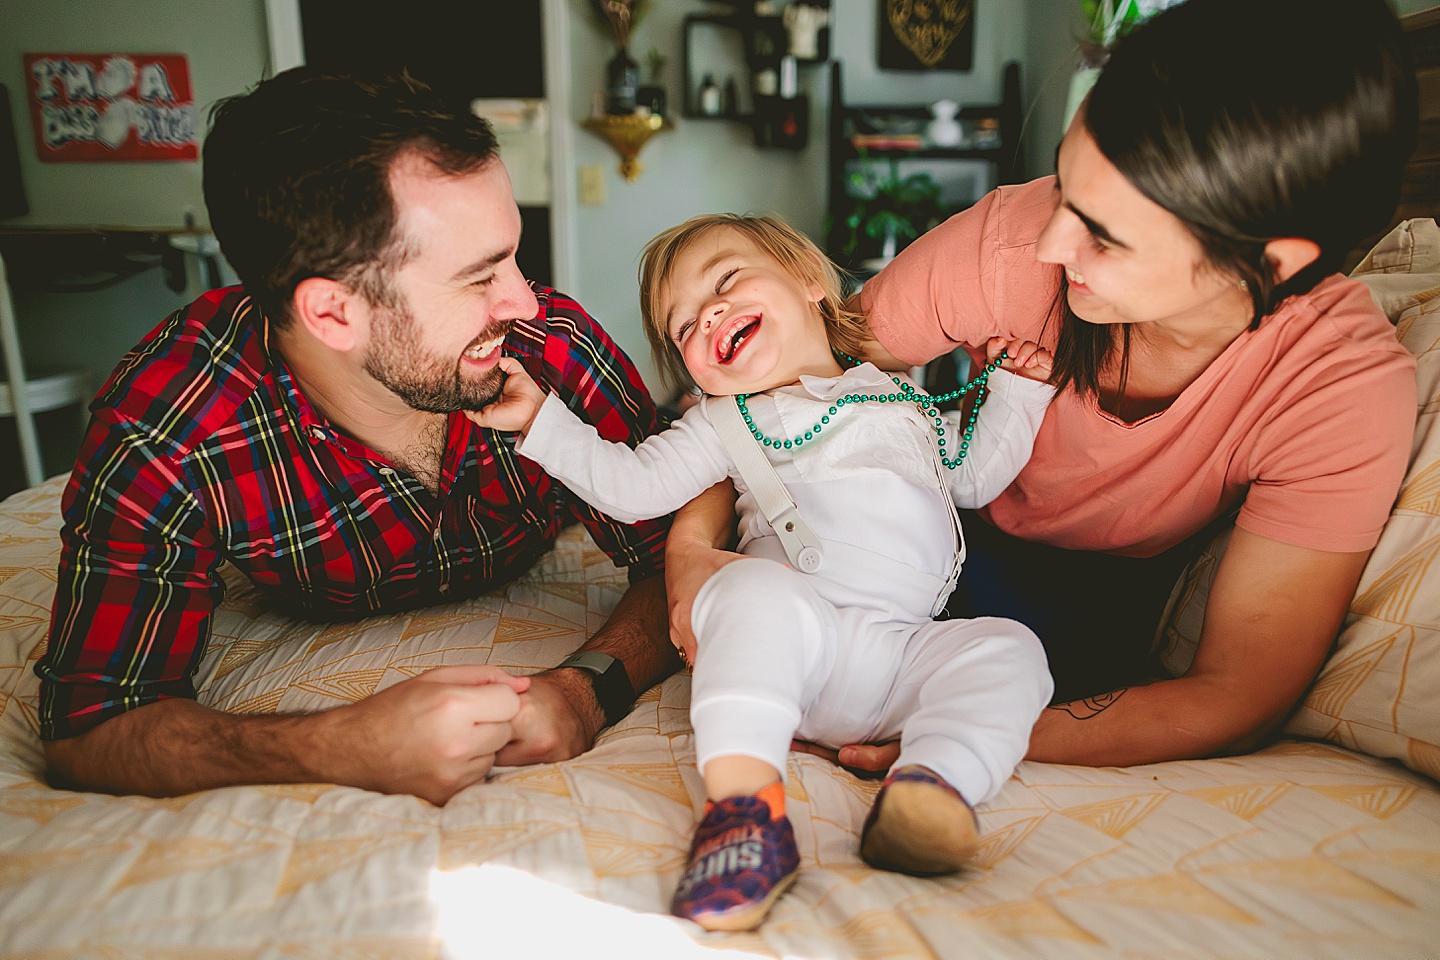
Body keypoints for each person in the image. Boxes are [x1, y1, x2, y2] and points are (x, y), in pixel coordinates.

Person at [665, 0, 1421, 772]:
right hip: (954, 543)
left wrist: (962, 737)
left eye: (1104, 233)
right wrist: (689, 551)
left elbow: (1232, 693)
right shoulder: (1013, 242)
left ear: (1271, 262)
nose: (1054, 244)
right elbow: (774, 397)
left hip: (1118, 604)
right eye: (1064, 184)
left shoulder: (1342, 391)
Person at [34, 68, 680, 806]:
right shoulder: (171, 432)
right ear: (333, 315)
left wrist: (585, 690)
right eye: (478, 278)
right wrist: (340, 745)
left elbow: (685, 551)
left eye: (513, 255)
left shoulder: (546, 345)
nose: (524, 300)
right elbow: (93, 724)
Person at [471, 213, 1056, 930]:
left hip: (900, 651)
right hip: (790, 646)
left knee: (1009, 648)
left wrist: (1023, 392)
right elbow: (632, 487)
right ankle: (744, 808)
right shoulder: (727, 420)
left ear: (810, 282)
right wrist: (542, 424)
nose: (706, 313)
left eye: (725, 280)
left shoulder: (897, 391)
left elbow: (972, 476)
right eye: (682, 326)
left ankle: (933, 787)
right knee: (748, 587)